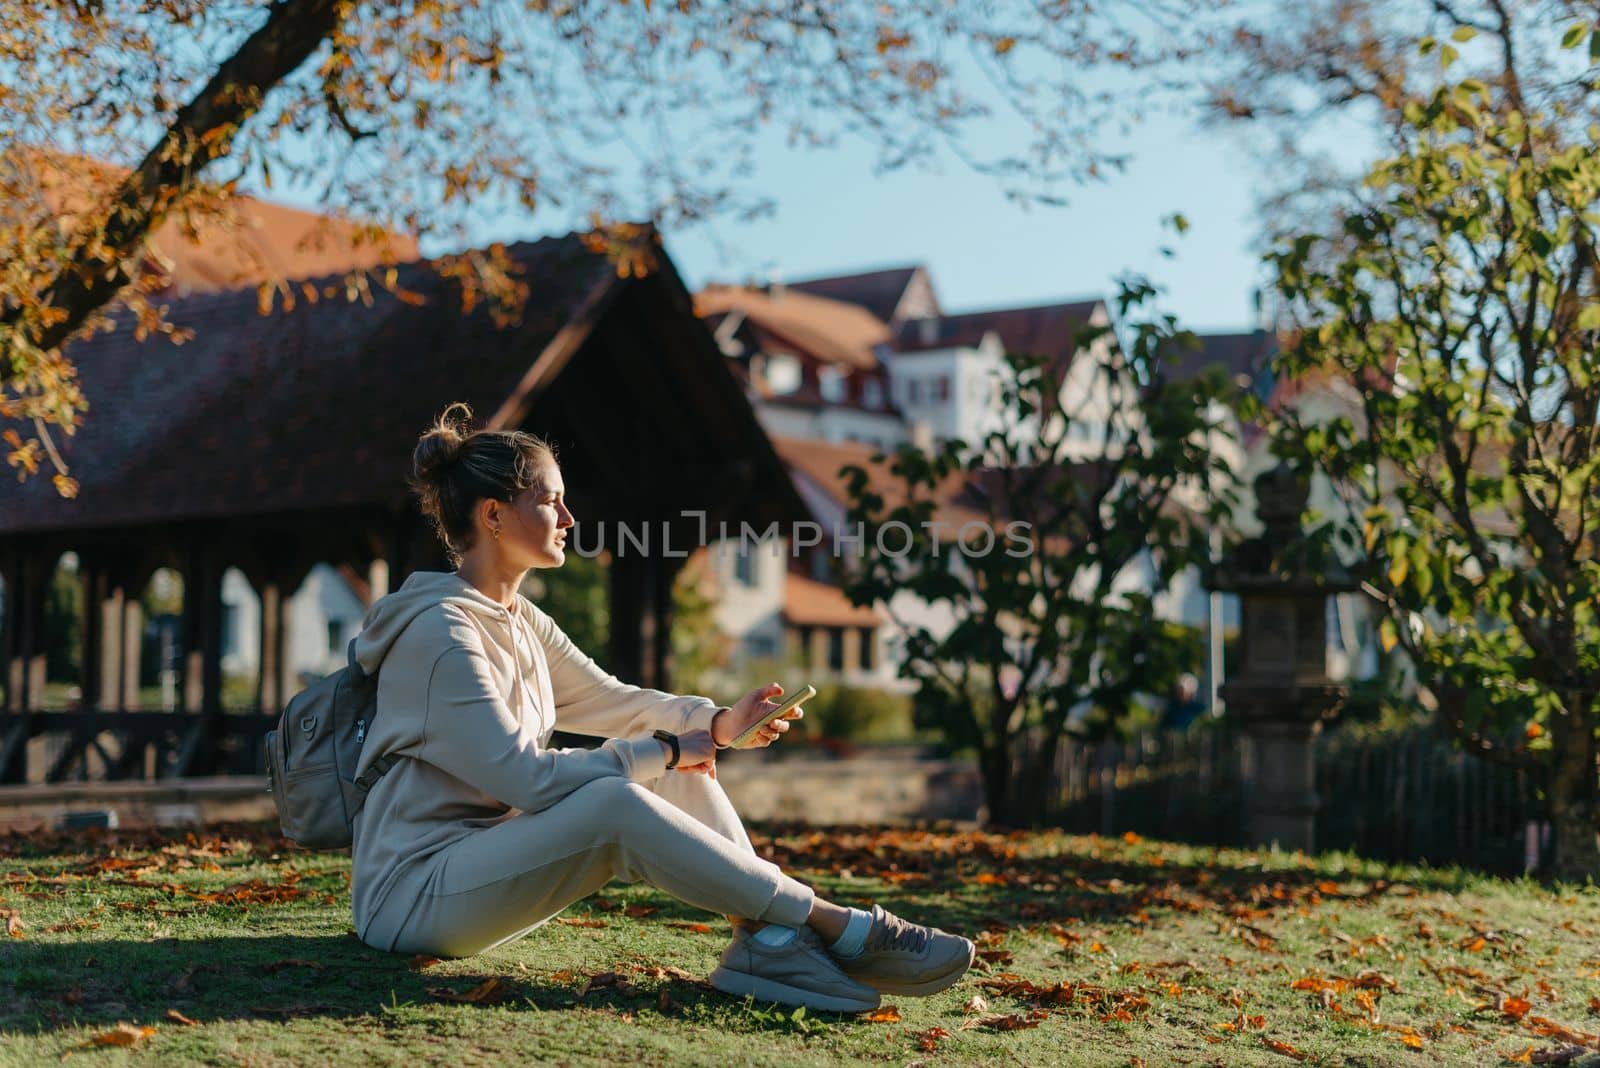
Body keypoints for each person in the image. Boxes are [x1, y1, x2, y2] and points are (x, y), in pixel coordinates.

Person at [348, 402, 974, 1014]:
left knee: (666, 768)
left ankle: (769, 940)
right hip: (413, 894)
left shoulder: (519, 621)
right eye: (548, 500)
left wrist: (717, 726)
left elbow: (613, 701)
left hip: (481, 866)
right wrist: (662, 749)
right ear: (493, 515)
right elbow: (526, 779)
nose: (568, 515)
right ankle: (830, 923)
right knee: (620, 793)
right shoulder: (441, 633)